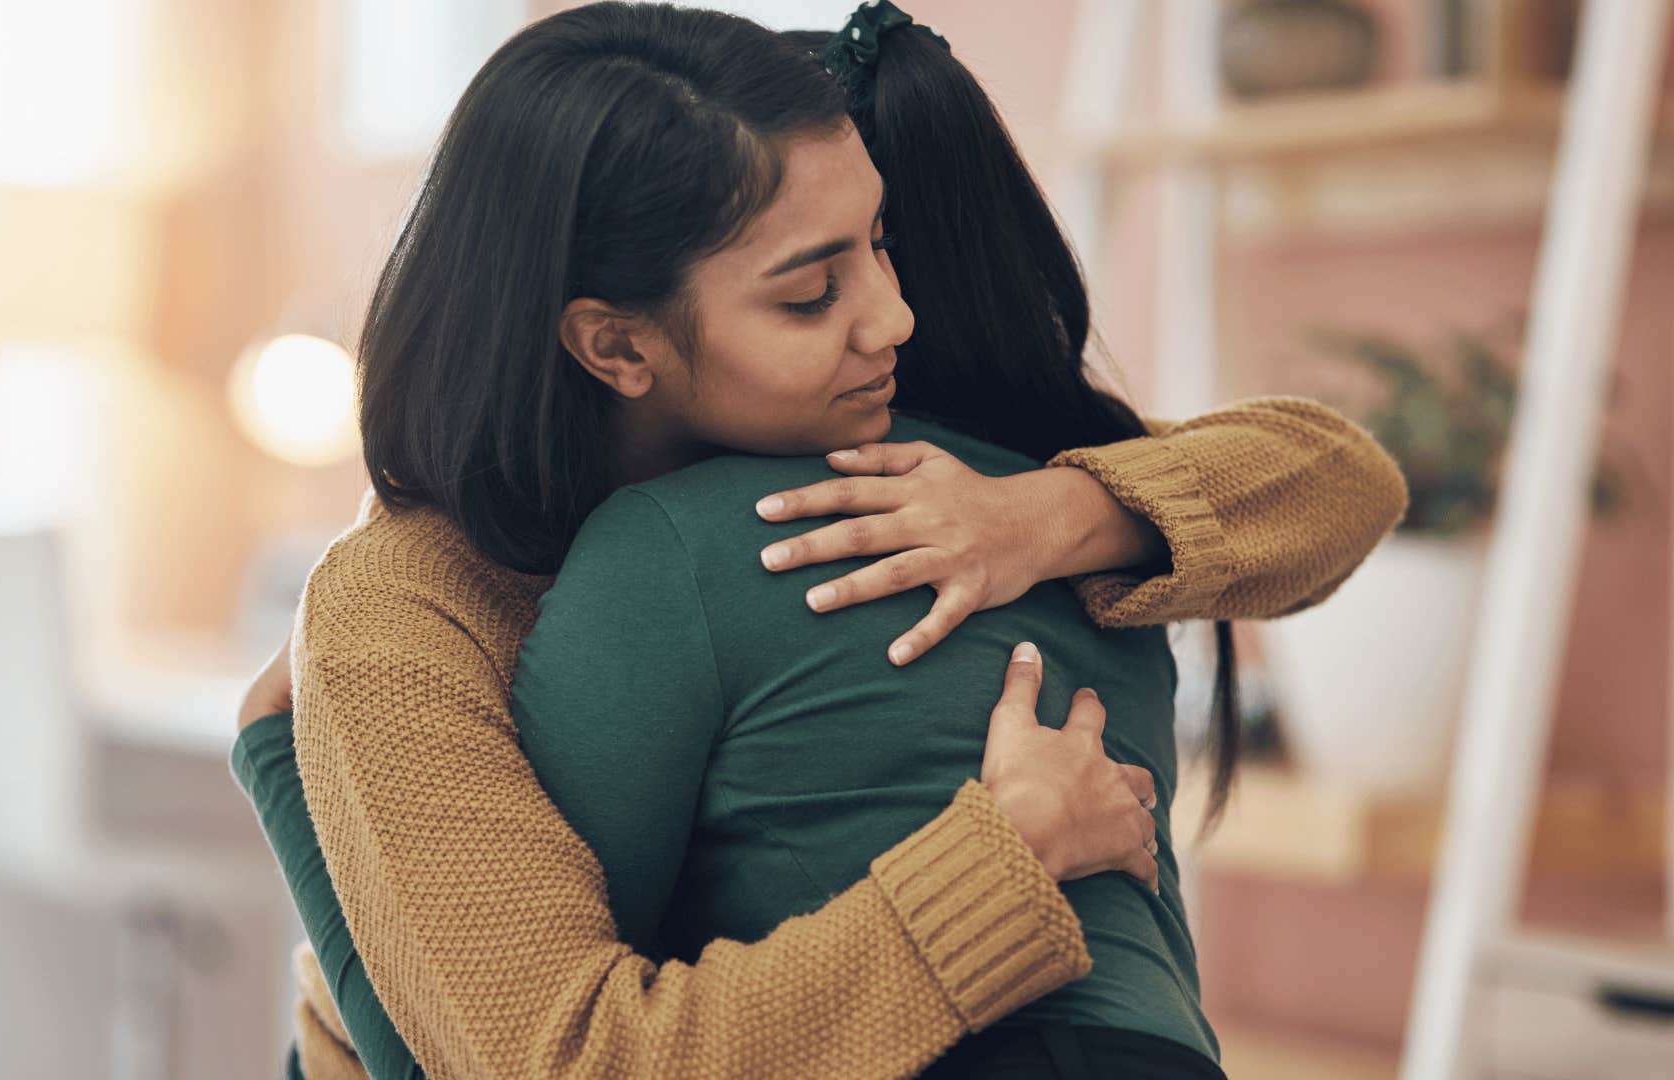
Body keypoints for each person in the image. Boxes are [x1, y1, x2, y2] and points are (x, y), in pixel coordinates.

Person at [231, 4, 1407, 1077]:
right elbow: (551, 1057)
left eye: (879, 243)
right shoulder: (406, 605)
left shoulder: (888, 468)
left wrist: (1040, 518)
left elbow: (1338, 482)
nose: (892, 317)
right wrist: (1006, 855)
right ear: (617, 348)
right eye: (808, 295)